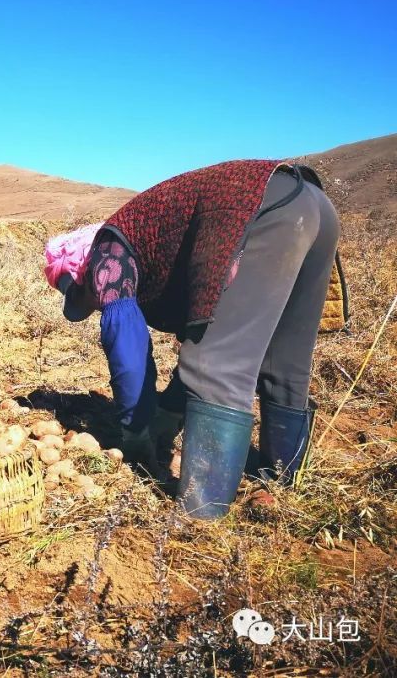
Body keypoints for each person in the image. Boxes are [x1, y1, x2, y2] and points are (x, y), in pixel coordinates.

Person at [43, 160, 348, 519]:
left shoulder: (106, 251)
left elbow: (126, 341)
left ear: (82, 274)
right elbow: (203, 330)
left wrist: (136, 432)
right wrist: (170, 412)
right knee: (282, 359)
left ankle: (201, 516)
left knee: (216, 367)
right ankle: (286, 486)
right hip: (313, 207)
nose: (92, 304)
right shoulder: (151, 245)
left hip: (262, 205)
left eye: (83, 297)